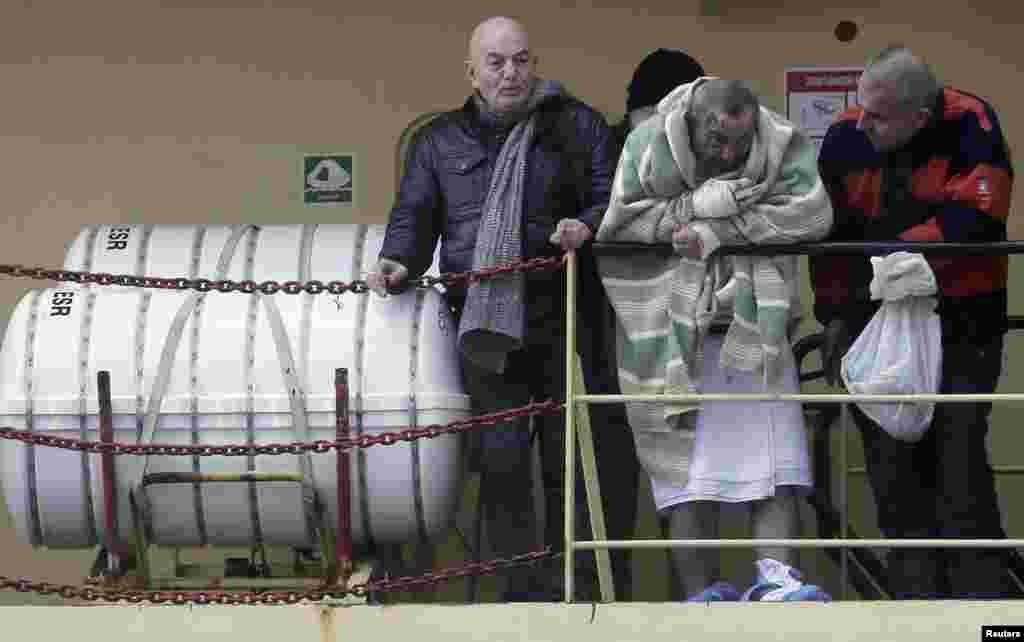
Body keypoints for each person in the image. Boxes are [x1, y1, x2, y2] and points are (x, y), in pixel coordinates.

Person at [367, 16, 638, 602]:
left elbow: (613, 193)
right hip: (486, 329)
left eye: (520, 60)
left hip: (570, 319)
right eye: (496, 62)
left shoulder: (578, 125)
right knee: (502, 461)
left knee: (576, 461)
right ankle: (519, 595)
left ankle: (585, 592)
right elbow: (415, 213)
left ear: (534, 64)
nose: (510, 73)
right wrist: (397, 262)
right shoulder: (438, 141)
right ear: (472, 71)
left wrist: (587, 223)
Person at [596, 77, 833, 602]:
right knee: (686, 478)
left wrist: (722, 230)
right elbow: (620, 226)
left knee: (775, 471)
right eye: (715, 141)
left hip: (757, 331)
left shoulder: (781, 141)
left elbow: (813, 214)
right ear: (689, 123)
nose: (728, 153)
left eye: (738, 143)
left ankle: (777, 582)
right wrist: (694, 206)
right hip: (671, 335)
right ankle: (699, 595)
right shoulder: (647, 145)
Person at [811, 45, 1016, 599]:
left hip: (964, 325)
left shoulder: (972, 123)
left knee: (959, 465)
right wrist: (833, 319)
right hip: (872, 326)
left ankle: (980, 609)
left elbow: (975, 221)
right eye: (861, 107)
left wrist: (883, 258)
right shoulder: (844, 137)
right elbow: (828, 237)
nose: (862, 122)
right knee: (891, 474)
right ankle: (913, 611)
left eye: (877, 116)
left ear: (919, 117)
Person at [610, 47, 706, 601]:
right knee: (665, 476)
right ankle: (624, 594)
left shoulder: (716, 154)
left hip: (682, 336)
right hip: (629, 333)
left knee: (692, 479)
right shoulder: (619, 151)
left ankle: (690, 601)